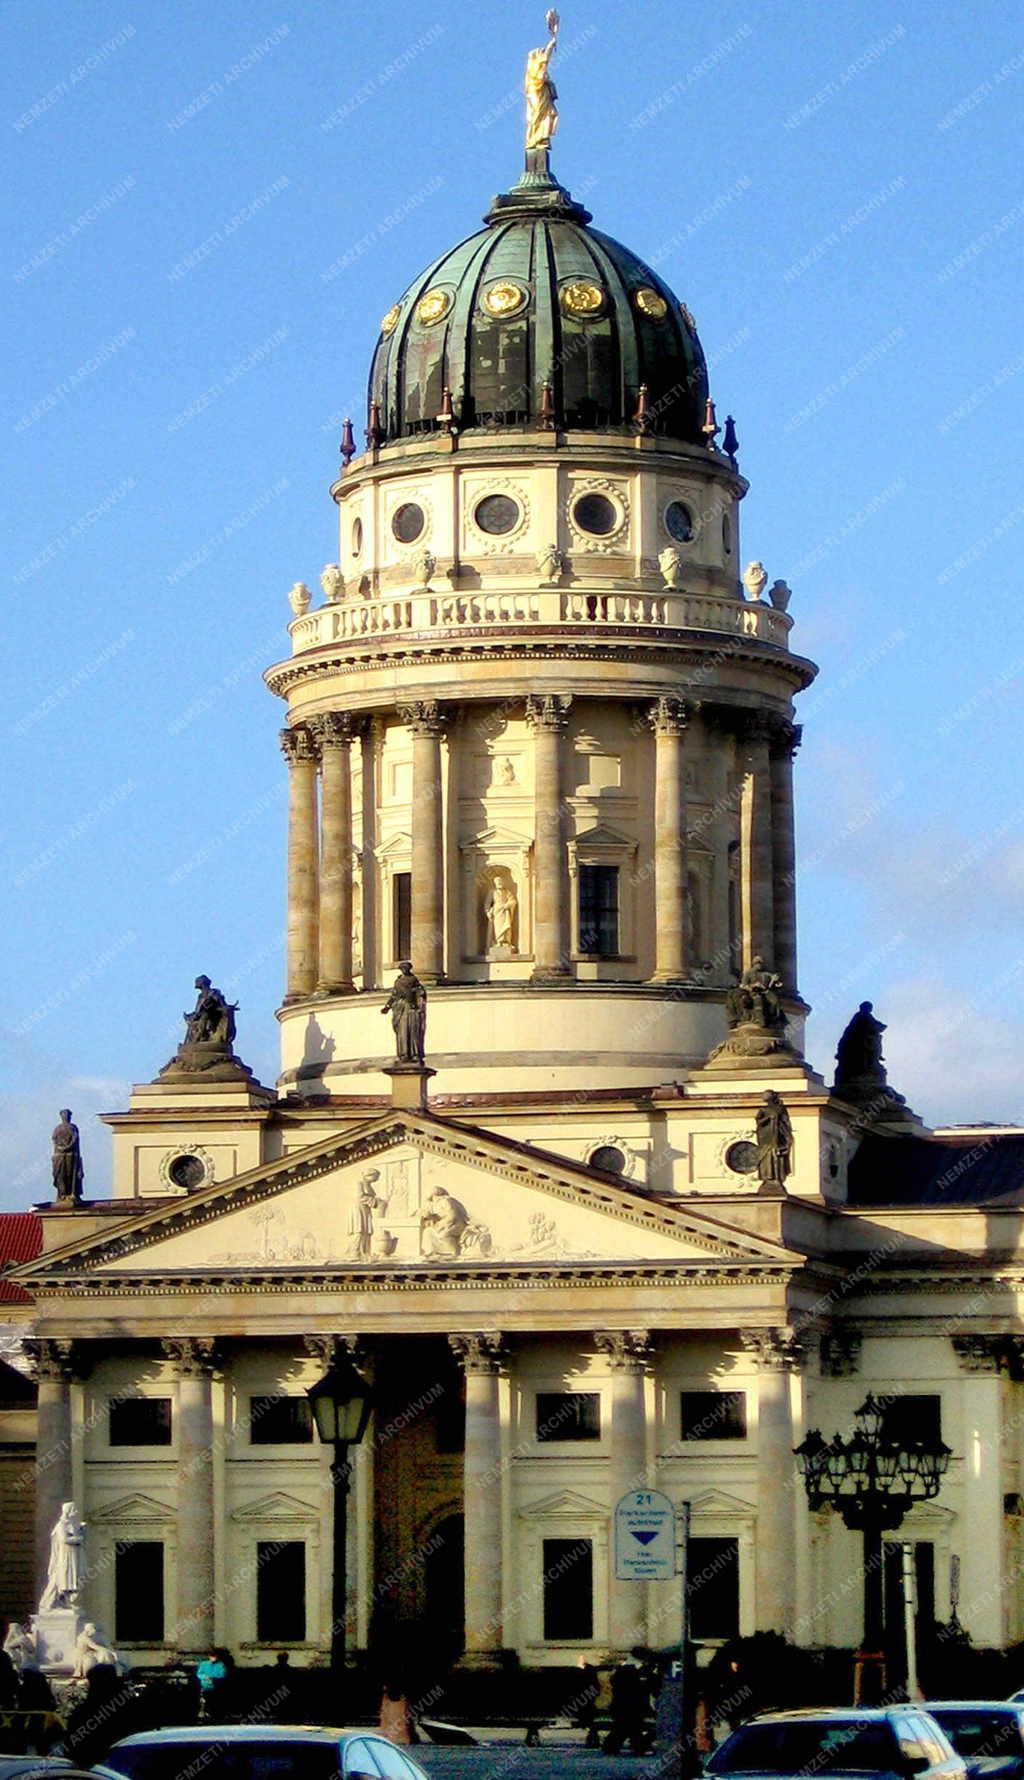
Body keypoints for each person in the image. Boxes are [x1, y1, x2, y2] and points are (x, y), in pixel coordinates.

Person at [602, 1654, 648, 1755]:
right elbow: (641, 1692)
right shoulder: (634, 1673)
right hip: (631, 1706)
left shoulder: (621, 1673)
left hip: (621, 1705)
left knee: (622, 1728)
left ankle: (611, 1746)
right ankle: (638, 1747)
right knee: (632, 1729)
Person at [196, 1647, 227, 1719]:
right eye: (211, 1656)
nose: (213, 1658)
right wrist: (205, 1677)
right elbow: (199, 1674)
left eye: (214, 1656)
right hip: (205, 1686)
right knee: (204, 1700)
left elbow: (222, 1675)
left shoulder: (220, 1665)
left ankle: (214, 1714)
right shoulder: (204, 1664)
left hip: (215, 1687)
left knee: (214, 1700)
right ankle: (204, 1713)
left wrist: (213, 1678)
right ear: (209, 1656)